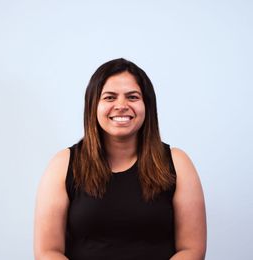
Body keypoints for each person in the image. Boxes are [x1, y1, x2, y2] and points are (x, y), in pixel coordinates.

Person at [34, 58, 207, 260]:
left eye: (132, 97)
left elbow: (192, 249)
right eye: (109, 97)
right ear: (93, 105)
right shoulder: (63, 164)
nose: (121, 105)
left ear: (147, 105)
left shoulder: (178, 162)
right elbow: (47, 251)